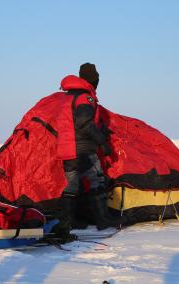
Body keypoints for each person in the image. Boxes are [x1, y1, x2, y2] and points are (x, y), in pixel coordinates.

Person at [52, 63, 124, 241]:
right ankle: (102, 219)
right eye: (96, 77)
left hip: (66, 149)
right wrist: (102, 141)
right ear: (92, 79)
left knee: (72, 186)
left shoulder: (69, 96)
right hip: (83, 149)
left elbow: (75, 122)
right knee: (96, 180)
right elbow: (84, 123)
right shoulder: (85, 97)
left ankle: (67, 223)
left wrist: (100, 129)